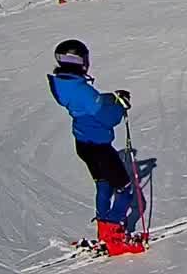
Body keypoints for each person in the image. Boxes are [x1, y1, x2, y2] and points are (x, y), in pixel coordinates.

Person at [48, 40, 144, 254]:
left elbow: (94, 102)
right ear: (81, 62)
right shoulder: (83, 91)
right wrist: (120, 106)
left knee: (103, 184)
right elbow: (107, 117)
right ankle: (113, 235)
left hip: (83, 145)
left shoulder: (65, 84)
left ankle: (104, 230)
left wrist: (111, 97)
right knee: (124, 189)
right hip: (99, 146)